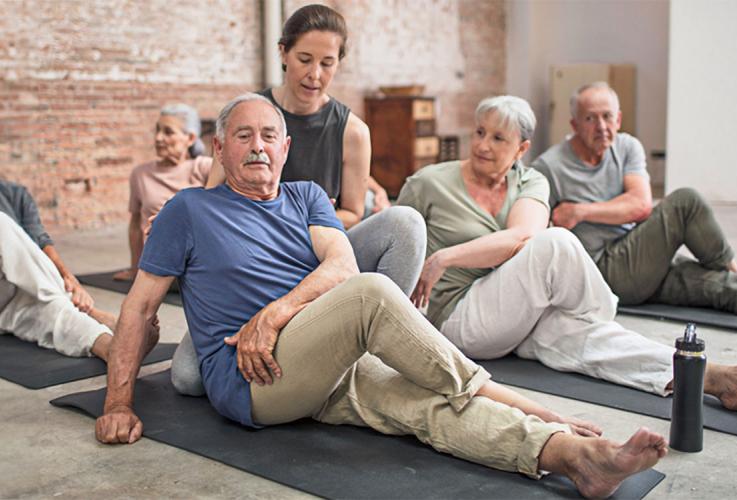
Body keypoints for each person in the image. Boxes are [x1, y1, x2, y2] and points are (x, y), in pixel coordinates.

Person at [95, 94, 669, 499]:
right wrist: (118, 404)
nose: (258, 147)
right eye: (242, 136)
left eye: (269, 135)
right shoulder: (189, 211)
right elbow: (140, 308)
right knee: (373, 294)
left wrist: (276, 312)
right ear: (219, 148)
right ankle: (528, 403)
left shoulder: (304, 197)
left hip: (321, 359)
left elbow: (340, 261)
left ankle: (570, 457)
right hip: (255, 380)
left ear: (286, 146)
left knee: (425, 408)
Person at [397, 95, 737, 408]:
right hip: (463, 318)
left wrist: (445, 256)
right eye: (480, 132)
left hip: (520, 312)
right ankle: (601, 311)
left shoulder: (530, 181)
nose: (483, 145)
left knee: (595, 343)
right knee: (559, 243)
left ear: (521, 148)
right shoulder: (430, 182)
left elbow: (521, 236)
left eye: (499, 138)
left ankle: (712, 378)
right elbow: (397, 239)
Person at [171, 3, 426, 396]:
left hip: (319, 254)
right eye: (304, 59)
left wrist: (297, 223)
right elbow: (211, 205)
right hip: (250, 265)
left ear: (339, 64)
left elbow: (353, 213)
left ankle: (366, 345)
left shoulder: (352, 132)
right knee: (188, 379)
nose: (315, 74)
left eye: (327, 62)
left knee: (404, 223)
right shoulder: (247, 116)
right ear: (283, 53)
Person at [533, 81, 737, 323]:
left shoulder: (627, 146)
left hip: (642, 255)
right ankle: (734, 268)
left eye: (607, 117)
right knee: (686, 201)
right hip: (606, 273)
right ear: (574, 125)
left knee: (728, 288)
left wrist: (580, 211)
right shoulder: (550, 167)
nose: (601, 127)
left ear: (618, 119)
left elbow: (640, 206)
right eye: (590, 118)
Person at [0, 180, 158, 359]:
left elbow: (39, 240)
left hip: (13, 293)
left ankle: (112, 350)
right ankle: (91, 312)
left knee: (52, 311)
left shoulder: (15, 192)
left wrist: (70, 280)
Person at [112, 104, 213, 282]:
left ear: (190, 138)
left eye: (168, 132)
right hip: (157, 265)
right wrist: (134, 268)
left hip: (197, 264)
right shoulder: (140, 173)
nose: (158, 138)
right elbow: (135, 225)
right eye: (157, 130)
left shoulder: (204, 167)